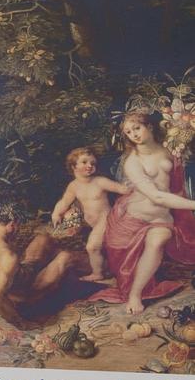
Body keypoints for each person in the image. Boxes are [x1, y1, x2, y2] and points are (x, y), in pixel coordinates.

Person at [101, 109, 195, 314]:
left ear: (149, 126)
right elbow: (157, 196)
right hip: (133, 220)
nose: (134, 134)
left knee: (159, 239)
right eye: (128, 132)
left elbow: (181, 177)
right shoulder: (132, 162)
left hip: (161, 218)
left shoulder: (170, 148)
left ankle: (136, 292)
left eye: (137, 128)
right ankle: (135, 295)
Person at [48, 150, 123, 284]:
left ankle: (98, 273)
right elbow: (65, 201)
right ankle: (109, 270)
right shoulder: (74, 186)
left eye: (92, 163)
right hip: (92, 224)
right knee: (104, 248)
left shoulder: (100, 181)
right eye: (84, 162)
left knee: (92, 247)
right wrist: (56, 213)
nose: (89, 165)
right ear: (73, 166)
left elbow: (121, 189)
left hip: (106, 220)